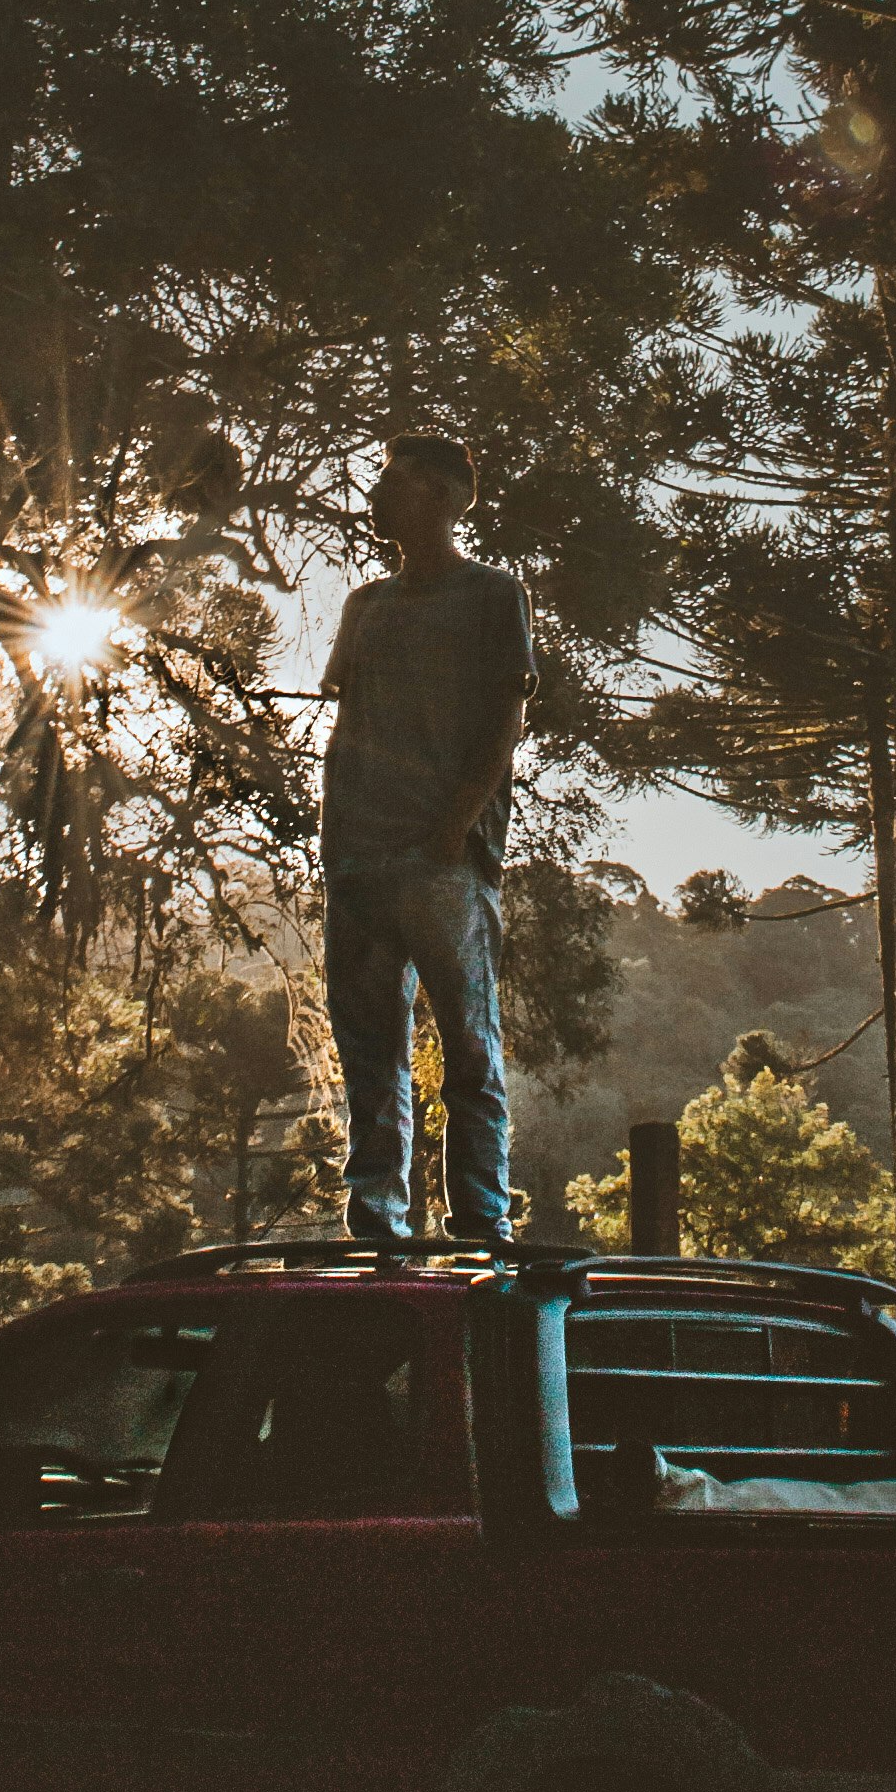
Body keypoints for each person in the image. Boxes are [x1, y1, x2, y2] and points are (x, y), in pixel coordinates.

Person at [318, 434, 535, 1251]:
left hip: (445, 863)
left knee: (470, 1050)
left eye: (399, 483)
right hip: (359, 862)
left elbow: (507, 718)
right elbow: (346, 722)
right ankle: (378, 1223)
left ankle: (482, 1222)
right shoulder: (364, 605)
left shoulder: (492, 595)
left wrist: (456, 826)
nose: (380, 495)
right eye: (380, 481)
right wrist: (336, 843)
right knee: (371, 1057)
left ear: (448, 497)